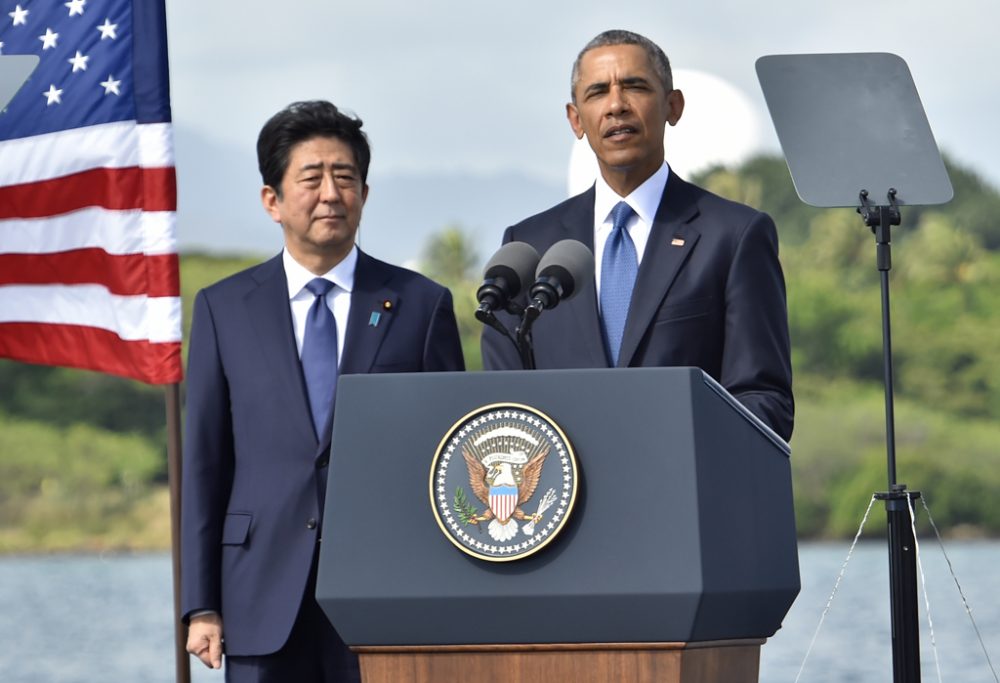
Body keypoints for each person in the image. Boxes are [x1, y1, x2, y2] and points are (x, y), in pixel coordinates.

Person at [181, 100, 465, 681]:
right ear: (272, 200)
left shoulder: (420, 305)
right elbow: (205, 465)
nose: (331, 193)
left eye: (346, 178)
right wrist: (200, 604)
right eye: (311, 178)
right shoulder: (223, 309)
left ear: (365, 192)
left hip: (386, 594)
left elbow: (450, 459)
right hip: (257, 592)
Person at [481, 30, 793, 440]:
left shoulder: (733, 236)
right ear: (576, 119)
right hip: (565, 495)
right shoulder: (528, 248)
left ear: (673, 106)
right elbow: (502, 407)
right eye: (597, 92)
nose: (616, 106)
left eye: (635, 86)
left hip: (685, 490)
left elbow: (762, 399)